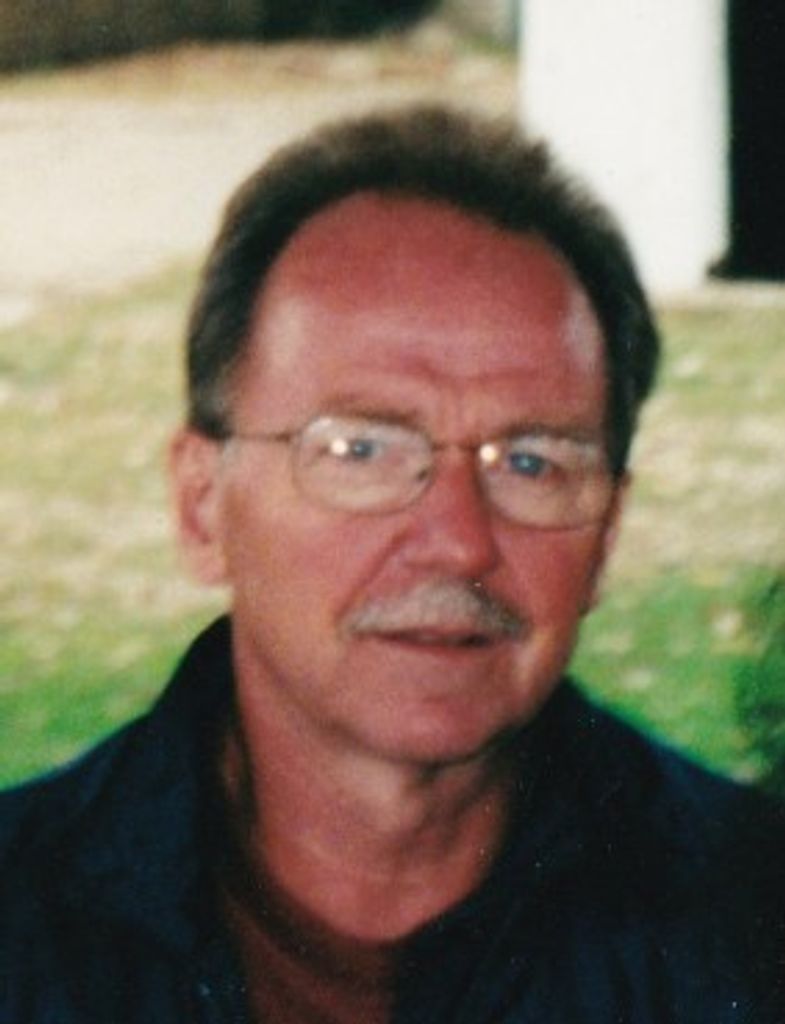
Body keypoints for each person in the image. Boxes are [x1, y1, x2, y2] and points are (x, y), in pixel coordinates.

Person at [1, 104, 782, 1023]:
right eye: (360, 450)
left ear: (606, 533)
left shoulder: (750, 926)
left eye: (531, 463)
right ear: (201, 506)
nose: (458, 539)